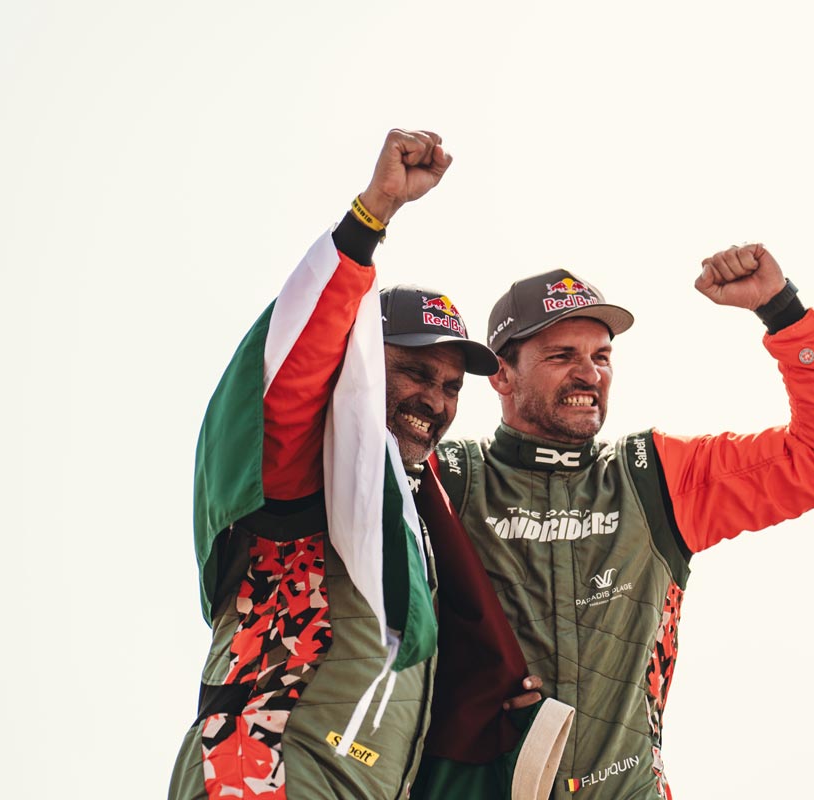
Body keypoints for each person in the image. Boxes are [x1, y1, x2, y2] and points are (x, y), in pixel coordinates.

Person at [169, 129, 552, 800]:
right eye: (415, 373)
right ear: (364, 371)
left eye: (451, 387)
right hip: (260, 774)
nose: (435, 402)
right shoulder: (308, 473)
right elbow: (290, 378)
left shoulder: (407, 525)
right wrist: (371, 216)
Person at [433, 245, 814, 798]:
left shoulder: (653, 474)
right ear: (501, 375)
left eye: (602, 356)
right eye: (561, 355)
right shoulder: (446, 478)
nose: (588, 374)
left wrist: (782, 311)